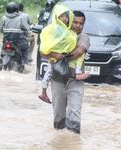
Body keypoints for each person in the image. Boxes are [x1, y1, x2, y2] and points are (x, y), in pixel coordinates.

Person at [40, 5, 90, 134]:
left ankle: (73, 139)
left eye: (81, 24)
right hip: (57, 80)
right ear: (68, 20)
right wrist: (53, 54)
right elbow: (43, 53)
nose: (78, 26)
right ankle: (60, 140)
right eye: (76, 22)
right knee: (58, 114)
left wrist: (59, 55)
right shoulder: (57, 34)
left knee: (74, 113)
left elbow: (79, 51)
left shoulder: (83, 37)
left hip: (75, 81)